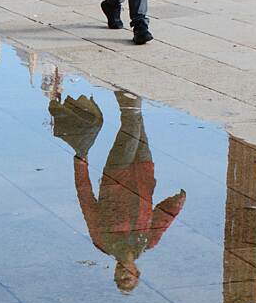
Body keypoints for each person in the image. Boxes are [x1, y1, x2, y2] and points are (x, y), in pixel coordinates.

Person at [49, 91, 186, 292]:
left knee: (131, 125)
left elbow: (86, 200)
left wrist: (81, 162)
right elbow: (162, 220)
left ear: (114, 272)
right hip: (144, 173)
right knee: (136, 122)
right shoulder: (146, 242)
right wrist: (176, 204)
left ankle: (125, 92)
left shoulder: (103, 241)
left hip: (117, 173)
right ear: (136, 272)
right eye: (128, 278)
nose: (123, 274)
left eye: (119, 278)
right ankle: (128, 90)